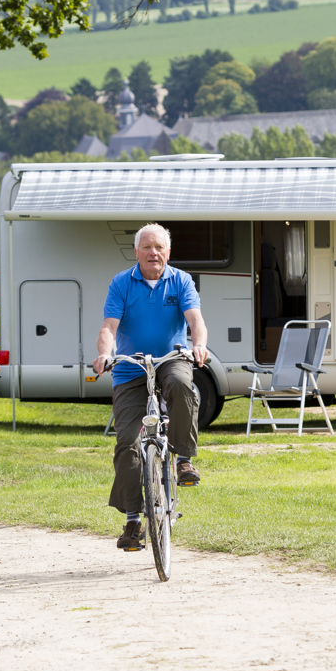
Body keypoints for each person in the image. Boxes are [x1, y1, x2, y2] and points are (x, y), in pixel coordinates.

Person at [93, 223, 209, 551]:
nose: (153, 253)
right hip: (131, 368)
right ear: (136, 252)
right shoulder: (121, 283)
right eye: (147, 247)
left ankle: (184, 459)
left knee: (183, 385)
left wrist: (198, 345)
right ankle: (132, 520)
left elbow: (195, 321)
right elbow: (108, 327)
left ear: (168, 253)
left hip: (170, 358)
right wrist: (105, 353)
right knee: (128, 444)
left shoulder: (181, 280)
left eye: (159, 247)